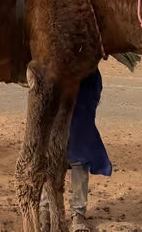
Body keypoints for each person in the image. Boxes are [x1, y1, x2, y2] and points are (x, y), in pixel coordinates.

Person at [39, 69, 111, 232]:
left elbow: (94, 92)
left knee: (80, 162)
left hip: (80, 114)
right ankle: (45, 211)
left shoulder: (88, 64)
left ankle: (78, 214)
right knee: (49, 162)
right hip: (54, 112)